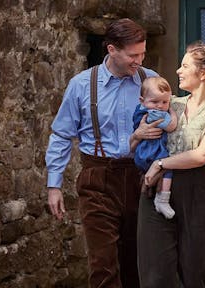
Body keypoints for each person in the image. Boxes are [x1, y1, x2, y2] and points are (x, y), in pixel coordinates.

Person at [45, 18, 161, 288]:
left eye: (142, 53)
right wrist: (54, 185)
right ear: (111, 50)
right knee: (103, 263)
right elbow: (62, 135)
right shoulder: (82, 85)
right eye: (133, 55)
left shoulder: (151, 80)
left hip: (140, 177)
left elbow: (171, 126)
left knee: (136, 261)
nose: (139, 60)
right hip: (98, 178)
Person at [135, 41, 205, 287]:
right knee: (155, 274)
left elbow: (202, 155)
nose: (178, 71)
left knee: (197, 270)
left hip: (196, 188)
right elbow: (137, 134)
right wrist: (138, 135)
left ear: (204, 73)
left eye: (185, 66)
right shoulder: (170, 103)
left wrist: (161, 164)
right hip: (154, 188)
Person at [132, 76, 177, 219]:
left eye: (165, 102)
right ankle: (163, 199)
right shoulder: (154, 114)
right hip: (152, 152)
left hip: (143, 153)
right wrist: (173, 113)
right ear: (142, 101)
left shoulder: (139, 110)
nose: (160, 105)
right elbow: (171, 127)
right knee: (168, 169)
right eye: (155, 101)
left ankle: (158, 195)